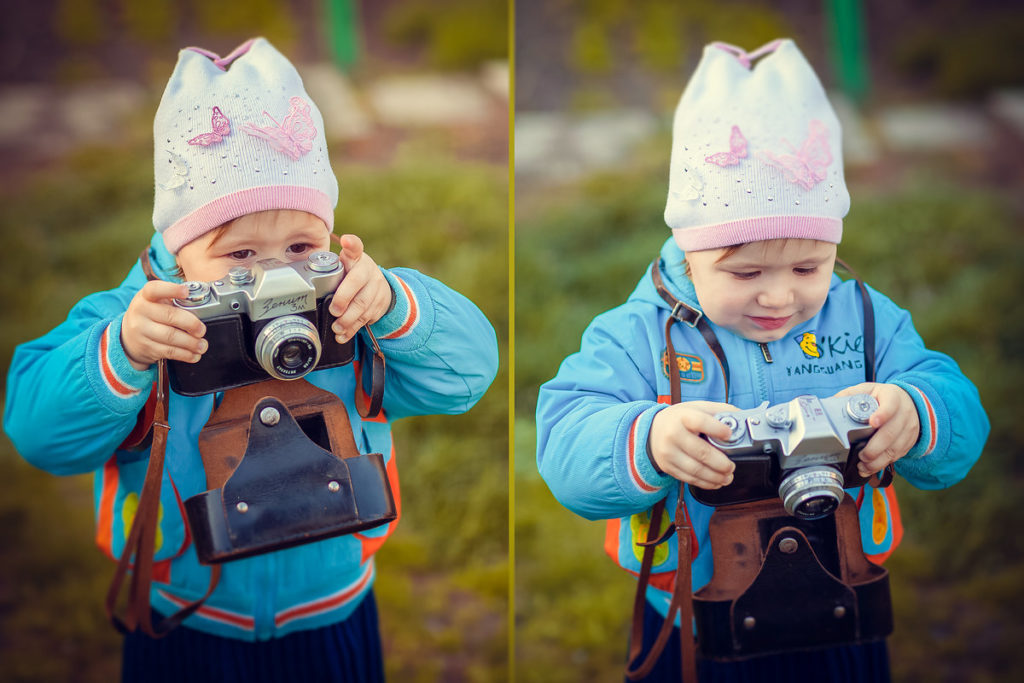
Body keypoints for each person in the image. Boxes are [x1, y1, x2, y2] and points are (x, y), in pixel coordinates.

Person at [4, 37, 499, 683]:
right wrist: (123, 354)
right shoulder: (139, 321)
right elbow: (40, 438)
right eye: (240, 259)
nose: (274, 278)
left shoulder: (349, 307)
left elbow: (469, 376)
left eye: (300, 246)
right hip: (185, 618)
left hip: (332, 610)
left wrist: (400, 304)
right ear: (178, 249)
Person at [535, 39, 988, 682]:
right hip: (693, 620)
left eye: (809, 266)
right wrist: (647, 440)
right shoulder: (636, 337)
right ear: (687, 251)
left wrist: (921, 412)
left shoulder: (863, 318)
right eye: (745, 272)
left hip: (844, 601)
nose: (779, 296)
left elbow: (960, 419)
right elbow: (564, 454)